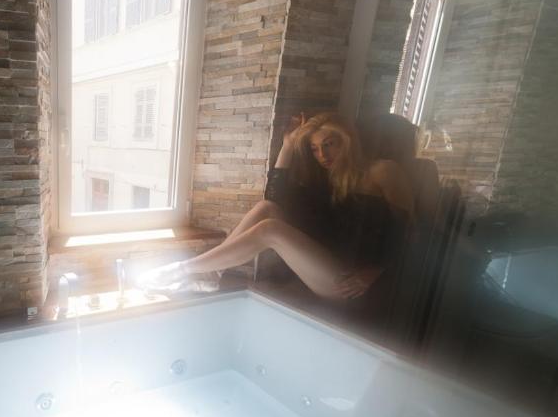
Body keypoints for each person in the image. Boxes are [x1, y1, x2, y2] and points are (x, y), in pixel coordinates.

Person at [140, 112, 414, 300]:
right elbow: (276, 197)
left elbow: (411, 230)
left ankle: (183, 269)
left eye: (330, 145)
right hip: (326, 260)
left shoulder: (383, 171)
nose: (323, 155)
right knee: (266, 209)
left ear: (349, 139)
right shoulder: (332, 177)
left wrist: (376, 271)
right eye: (316, 149)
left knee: (271, 229)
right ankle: (211, 273)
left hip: (350, 279)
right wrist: (288, 146)